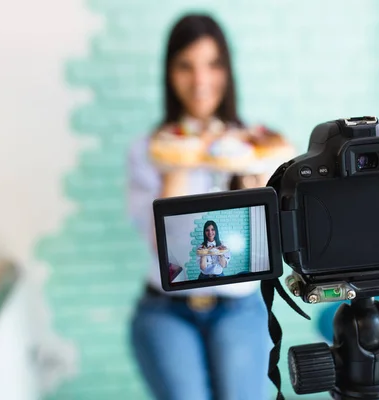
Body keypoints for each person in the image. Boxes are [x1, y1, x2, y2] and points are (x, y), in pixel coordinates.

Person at [127, 14, 272, 400]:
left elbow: (262, 243)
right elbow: (168, 251)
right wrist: (183, 154)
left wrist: (237, 156)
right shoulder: (149, 150)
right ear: (170, 74)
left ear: (227, 69)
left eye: (212, 64)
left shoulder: (255, 148)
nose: (201, 81)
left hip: (239, 307)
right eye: (186, 66)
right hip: (165, 309)